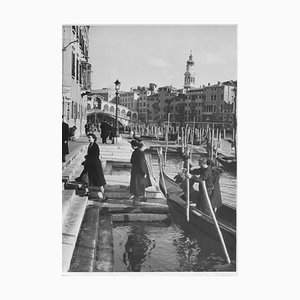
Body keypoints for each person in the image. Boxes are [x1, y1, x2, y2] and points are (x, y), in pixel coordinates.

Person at [75, 133, 108, 200]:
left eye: (90, 138)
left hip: (95, 165)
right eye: (88, 138)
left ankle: (104, 195)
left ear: (93, 138)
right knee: (85, 178)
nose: (89, 139)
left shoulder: (95, 146)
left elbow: (95, 156)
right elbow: (90, 155)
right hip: (90, 165)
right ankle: (87, 191)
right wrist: (87, 158)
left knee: (99, 181)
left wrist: (87, 160)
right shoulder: (90, 145)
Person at [129, 140, 150, 205]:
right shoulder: (141, 153)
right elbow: (141, 164)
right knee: (139, 186)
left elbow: (131, 161)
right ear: (142, 147)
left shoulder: (135, 152)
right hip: (140, 172)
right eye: (145, 148)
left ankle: (143, 197)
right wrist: (144, 173)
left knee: (137, 185)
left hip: (135, 171)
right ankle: (136, 201)